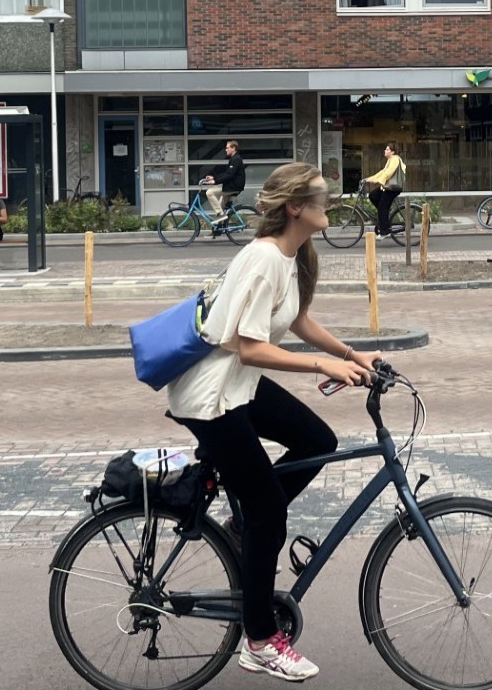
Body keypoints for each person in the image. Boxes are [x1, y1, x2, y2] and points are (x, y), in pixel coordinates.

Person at [165, 163, 381, 682]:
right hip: (213, 395)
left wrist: (353, 354)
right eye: (321, 198)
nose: (330, 204)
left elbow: (297, 320)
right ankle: (260, 640)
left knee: (316, 439)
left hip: (237, 383)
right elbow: (249, 346)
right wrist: (323, 366)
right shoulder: (264, 259)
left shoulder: (291, 255)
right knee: (270, 513)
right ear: (295, 208)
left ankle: (243, 527)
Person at [200, 140, 247, 226]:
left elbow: (229, 175)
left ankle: (221, 215)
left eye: (227, 148)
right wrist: (214, 178)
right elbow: (226, 173)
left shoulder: (236, 159)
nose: (226, 150)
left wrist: (215, 181)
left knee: (209, 192)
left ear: (233, 148)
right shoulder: (234, 159)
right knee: (220, 206)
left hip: (233, 187)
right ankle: (218, 229)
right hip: (232, 186)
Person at [363, 143, 406, 236]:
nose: (385, 151)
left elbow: (388, 173)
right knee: (373, 196)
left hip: (393, 188)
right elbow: (383, 171)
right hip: (388, 187)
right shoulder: (390, 160)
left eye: (387, 149)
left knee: (382, 207)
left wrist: (378, 180)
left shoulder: (395, 159)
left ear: (393, 152)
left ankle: (385, 231)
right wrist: (369, 179)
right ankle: (384, 215)